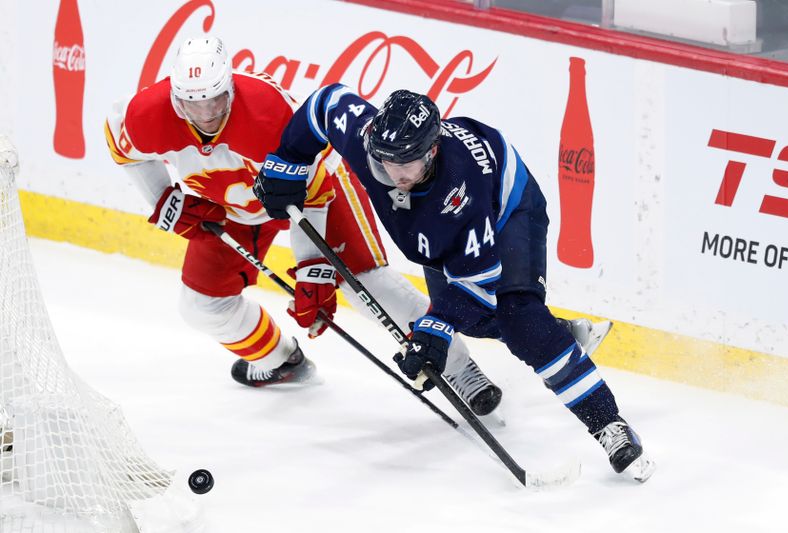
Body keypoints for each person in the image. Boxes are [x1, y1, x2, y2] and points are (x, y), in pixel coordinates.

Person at [253, 84, 654, 482]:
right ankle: (562, 336)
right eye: (386, 162)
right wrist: (289, 161)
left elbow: (479, 285)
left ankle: (609, 425)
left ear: (432, 152)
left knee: (520, 319)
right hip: (445, 234)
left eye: (406, 164)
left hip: (508, 209)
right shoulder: (368, 138)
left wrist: (435, 331)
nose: (395, 175)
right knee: (475, 322)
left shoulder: (459, 192)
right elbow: (325, 104)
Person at [103, 37, 511, 416]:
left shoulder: (267, 112)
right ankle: (280, 361)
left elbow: (310, 194)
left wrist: (313, 268)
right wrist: (162, 196)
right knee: (202, 307)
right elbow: (121, 147)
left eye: (217, 99)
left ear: (230, 86)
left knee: (370, 288)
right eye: (196, 104)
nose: (208, 114)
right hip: (228, 206)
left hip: (317, 191)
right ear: (177, 98)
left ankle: (461, 369)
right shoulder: (145, 114)